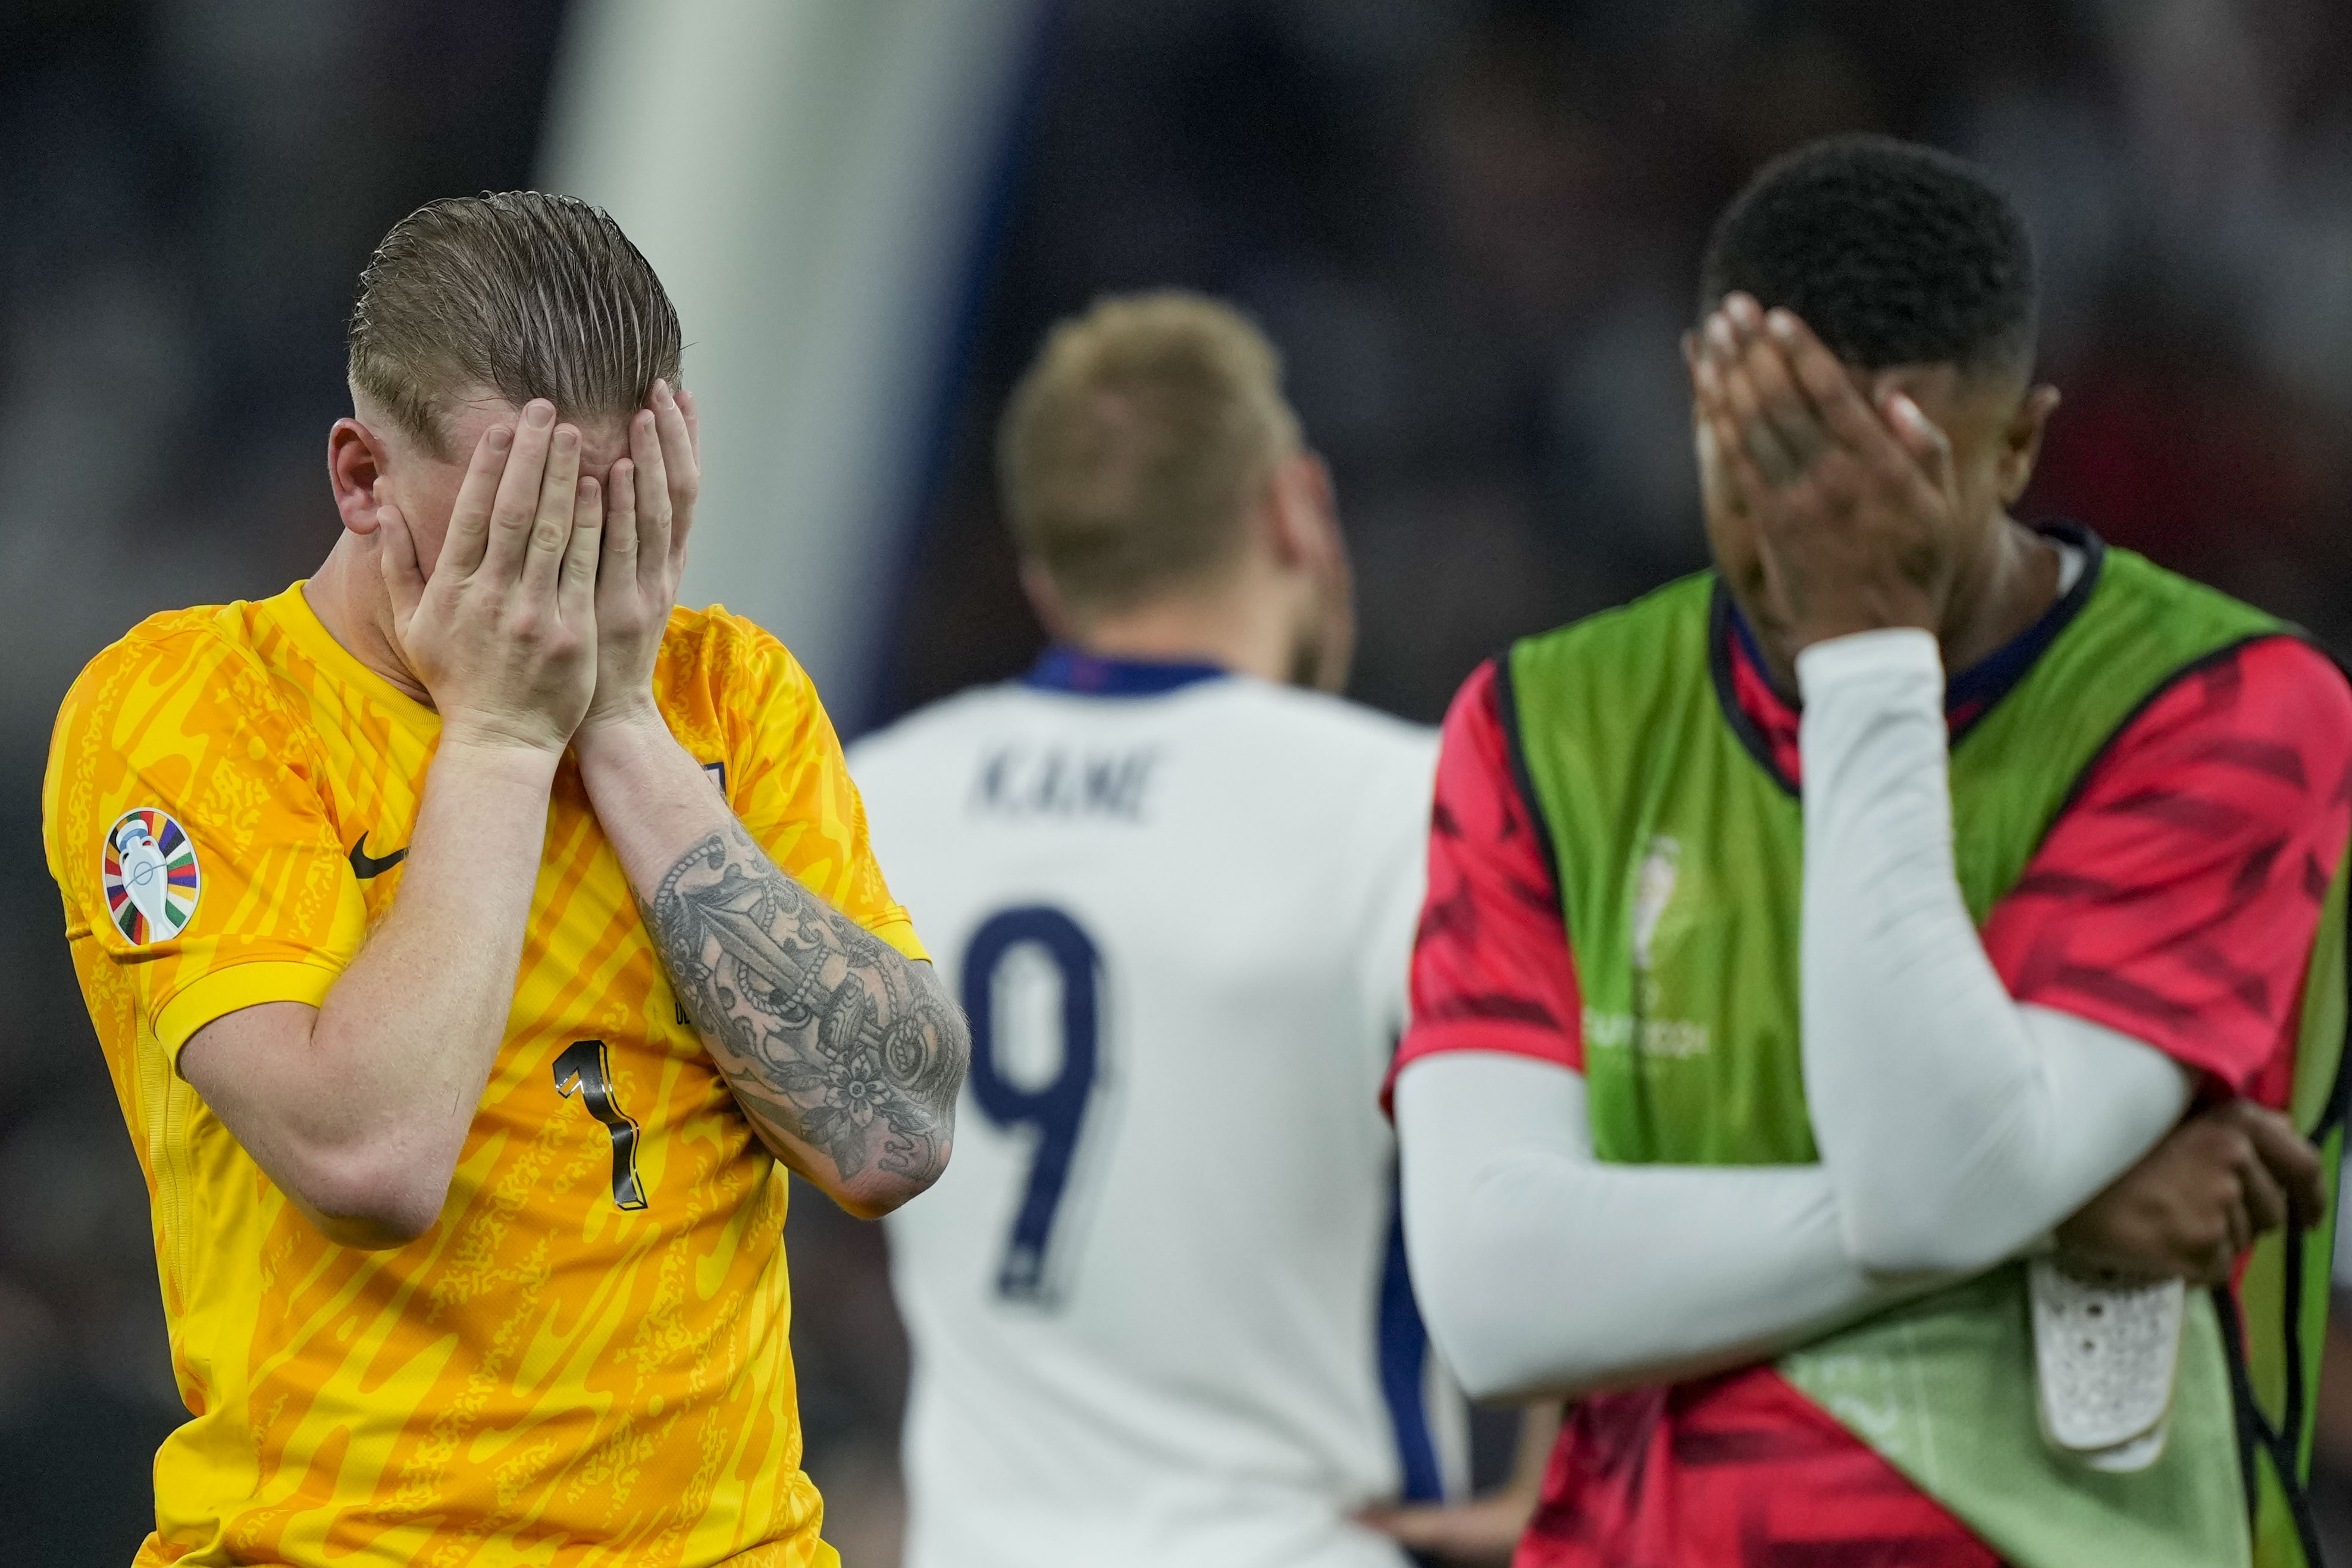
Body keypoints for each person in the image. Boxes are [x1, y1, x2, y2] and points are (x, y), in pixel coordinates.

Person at [1390, 135, 2350, 1568]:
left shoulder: (2230, 707)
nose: (1816, 530)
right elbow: (1497, 1297)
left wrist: (1864, 658)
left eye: (1893, 468)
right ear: (1694, 408)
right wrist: (2051, 1210)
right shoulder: (1544, 722)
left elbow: (1934, 1187)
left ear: (2020, 445)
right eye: (1769, 460)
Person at [41, 192, 967, 1566]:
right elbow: (367, 1155)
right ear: (362, 480)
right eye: (515, 518)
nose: (568, 576)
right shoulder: (193, 713)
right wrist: (498, 735)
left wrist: (626, 729)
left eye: (610, 515)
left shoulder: (732, 697)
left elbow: (894, 1134)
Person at [851, 291, 1545, 1568]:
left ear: (1048, 579)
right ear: (1295, 508)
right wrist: (1565, 1472)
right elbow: (1580, 1169)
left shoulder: (861, 800)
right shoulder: (1419, 803)